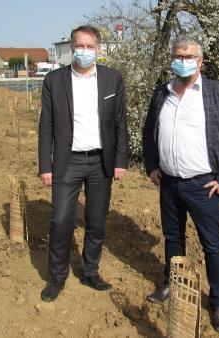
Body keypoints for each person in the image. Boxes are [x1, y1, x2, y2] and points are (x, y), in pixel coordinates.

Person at [142, 35, 219, 331]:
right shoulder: (161, 93)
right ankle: (170, 284)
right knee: (173, 239)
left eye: (189, 56)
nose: (183, 61)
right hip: (169, 183)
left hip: (204, 185)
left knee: (212, 246)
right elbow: (148, 132)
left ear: (201, 61)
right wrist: (151, 165)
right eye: (178, 56)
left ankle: (218, 302)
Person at [38, 25, 128, 302]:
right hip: (69, 162)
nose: (84, 52)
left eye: (90, 47)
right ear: (71, 48)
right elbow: (46, 127)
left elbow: (120, 123)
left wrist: (120, 160)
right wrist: (46, 165)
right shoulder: (55, 81)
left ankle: (90, 271)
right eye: (79, 46)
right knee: (61, 221)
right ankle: (57, 276)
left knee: (96, 221)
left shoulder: (113, 79)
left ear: (98, 49)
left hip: (101, 161)